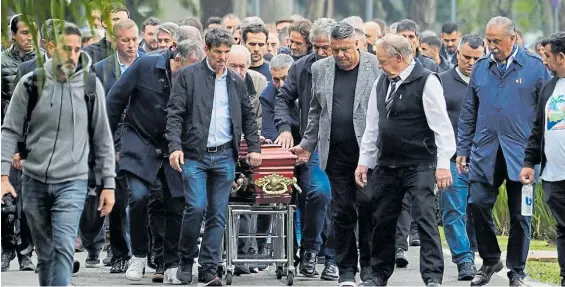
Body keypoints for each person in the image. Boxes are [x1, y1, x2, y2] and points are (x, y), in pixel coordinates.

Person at [1, 22, 116, 286]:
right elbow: (9, 130)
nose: (73, 55)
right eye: (67, 49)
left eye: (77, 50)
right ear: (51, 47)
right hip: (34, 181)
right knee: (46, 254)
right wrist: (3, 175)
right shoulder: (30, 84)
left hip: (72, 180)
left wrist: (108, 183)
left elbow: (102, 137)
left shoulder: (90, 85)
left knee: (64, 247)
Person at [456, 16, 551, 286]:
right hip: (485, 152)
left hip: (522, 155)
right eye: (489, 40)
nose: (491, 46)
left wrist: (538, 155)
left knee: (521, 215)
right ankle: (489, 260)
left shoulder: (534, 68)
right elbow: (469, 111)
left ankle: (517, 271)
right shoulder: (481, 68)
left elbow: (545, 112)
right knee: (476, 203)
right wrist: (463, 148)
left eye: (496, 41)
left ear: (513, 38)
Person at [355, 33, 455, 287]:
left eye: (382, 60)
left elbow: (442, 127)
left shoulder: (426, 81)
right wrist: (364, 161)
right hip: (387, 164)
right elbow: (372, 126)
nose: (379, 64)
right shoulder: (381, 82)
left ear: (398, 57)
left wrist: (443, 164)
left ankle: (432, 276)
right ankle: (378, 273)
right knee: (382, 219)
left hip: (419, 163)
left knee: (424, 218)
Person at [166, 28, 262, 286]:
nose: (222, 57)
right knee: (196, 207)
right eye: (217, 52)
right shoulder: (188, 76)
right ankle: (186, 259)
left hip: (224, 155)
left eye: (226, 52)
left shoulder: (235, 81)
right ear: (207, 50)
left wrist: (254, 147)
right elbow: (174, 114)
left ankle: (209, 268)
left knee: (217, 214)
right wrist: (175, 146)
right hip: (195, 154)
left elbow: (248, 117)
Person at [289, 21, 380, 286]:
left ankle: (370, 269)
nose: (340, 55)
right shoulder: (321, 69)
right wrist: (307, 144)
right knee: (342, 213)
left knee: (368, 209)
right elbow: (316, 111)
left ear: (358, 45)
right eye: (335, 49)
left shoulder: (375, 66)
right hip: (336, 153)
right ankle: (347, 271)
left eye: (345, 49)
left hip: (368, 154)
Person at [105, 39, 203, 284]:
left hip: (175, 146)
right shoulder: (145, 66)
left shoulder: (195, 78)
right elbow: (115, 100)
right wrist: (111, 144)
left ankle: (171, 262)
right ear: (176, 59)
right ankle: (137, 255)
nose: (194, 71)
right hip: (140, 140)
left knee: (176, 203)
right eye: (190, 65)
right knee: (137, 196)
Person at [274, 17, 339, 281]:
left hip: (347, 145)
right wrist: (285, 129)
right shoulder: (301, 67)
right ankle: (311, 248)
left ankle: (334, 258)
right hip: (313, 146)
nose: (322, 53)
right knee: (319, 193)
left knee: (342, 202)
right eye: (317, 47)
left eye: (327, 48)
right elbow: (283, 99)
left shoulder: (352, 65)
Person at [438, 33, 485, 281]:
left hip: (484, 159)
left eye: (477, 58)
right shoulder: (441, 82)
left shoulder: (490, 82)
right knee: (453, 211)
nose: (471, 62)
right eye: (467, 57)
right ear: (457, 53)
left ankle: (478, 252)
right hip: (452, 158)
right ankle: (464, 260)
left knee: (478, 208)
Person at [521, 31, 565, 287]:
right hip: (553, 175)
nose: (544, 62)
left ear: (561, 57)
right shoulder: (549, 88)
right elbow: (538, 128)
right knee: (562, 228)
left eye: (547, 57)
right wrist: (529, 162)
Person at [1, 14, 38, 272]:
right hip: (8, 136)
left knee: (30, 201)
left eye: (32, 33)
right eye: (24, 32)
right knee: (8, 199)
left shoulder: (42, 64)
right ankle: (5, 248)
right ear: (13, 34)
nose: (29, 39)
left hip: (36, 140)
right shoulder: (2, 62)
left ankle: (26, 251)